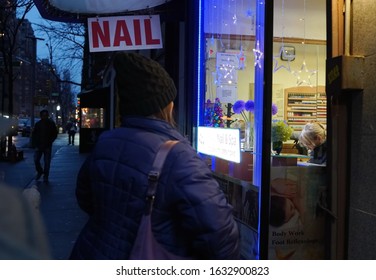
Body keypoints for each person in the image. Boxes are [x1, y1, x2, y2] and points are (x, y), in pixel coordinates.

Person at [70, 52, 240, 260]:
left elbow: (85, 198)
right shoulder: (178, 157)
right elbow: (220, 238)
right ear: (164, 106)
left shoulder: (106, 142)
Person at [32, 109, 58, 182]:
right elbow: (34, 134)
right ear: (41, 116)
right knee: (36, 160)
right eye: (43, 116)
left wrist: (50, 141)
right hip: (39, 145)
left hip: (47, 145)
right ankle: (40, 171)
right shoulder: (38, 124)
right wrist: (35, 144)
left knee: (47, 162)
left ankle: (45, 176)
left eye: (45, 115)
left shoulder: (51, 124)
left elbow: (55, 134)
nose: (44, 117)